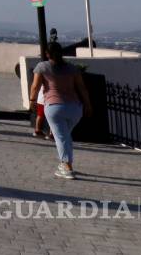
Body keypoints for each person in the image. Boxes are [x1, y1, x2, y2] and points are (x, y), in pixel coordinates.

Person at [29, 41, 92, 180]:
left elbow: (35, 86)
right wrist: (87, 105)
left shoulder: (42, 67)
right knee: (65, 136)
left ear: (47, 53)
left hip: (54, 107)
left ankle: (67, 167)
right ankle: (64, 163)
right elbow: (82, 88)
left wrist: (32, 101)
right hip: (75, 109)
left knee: (61, 137)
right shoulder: (72, 68)